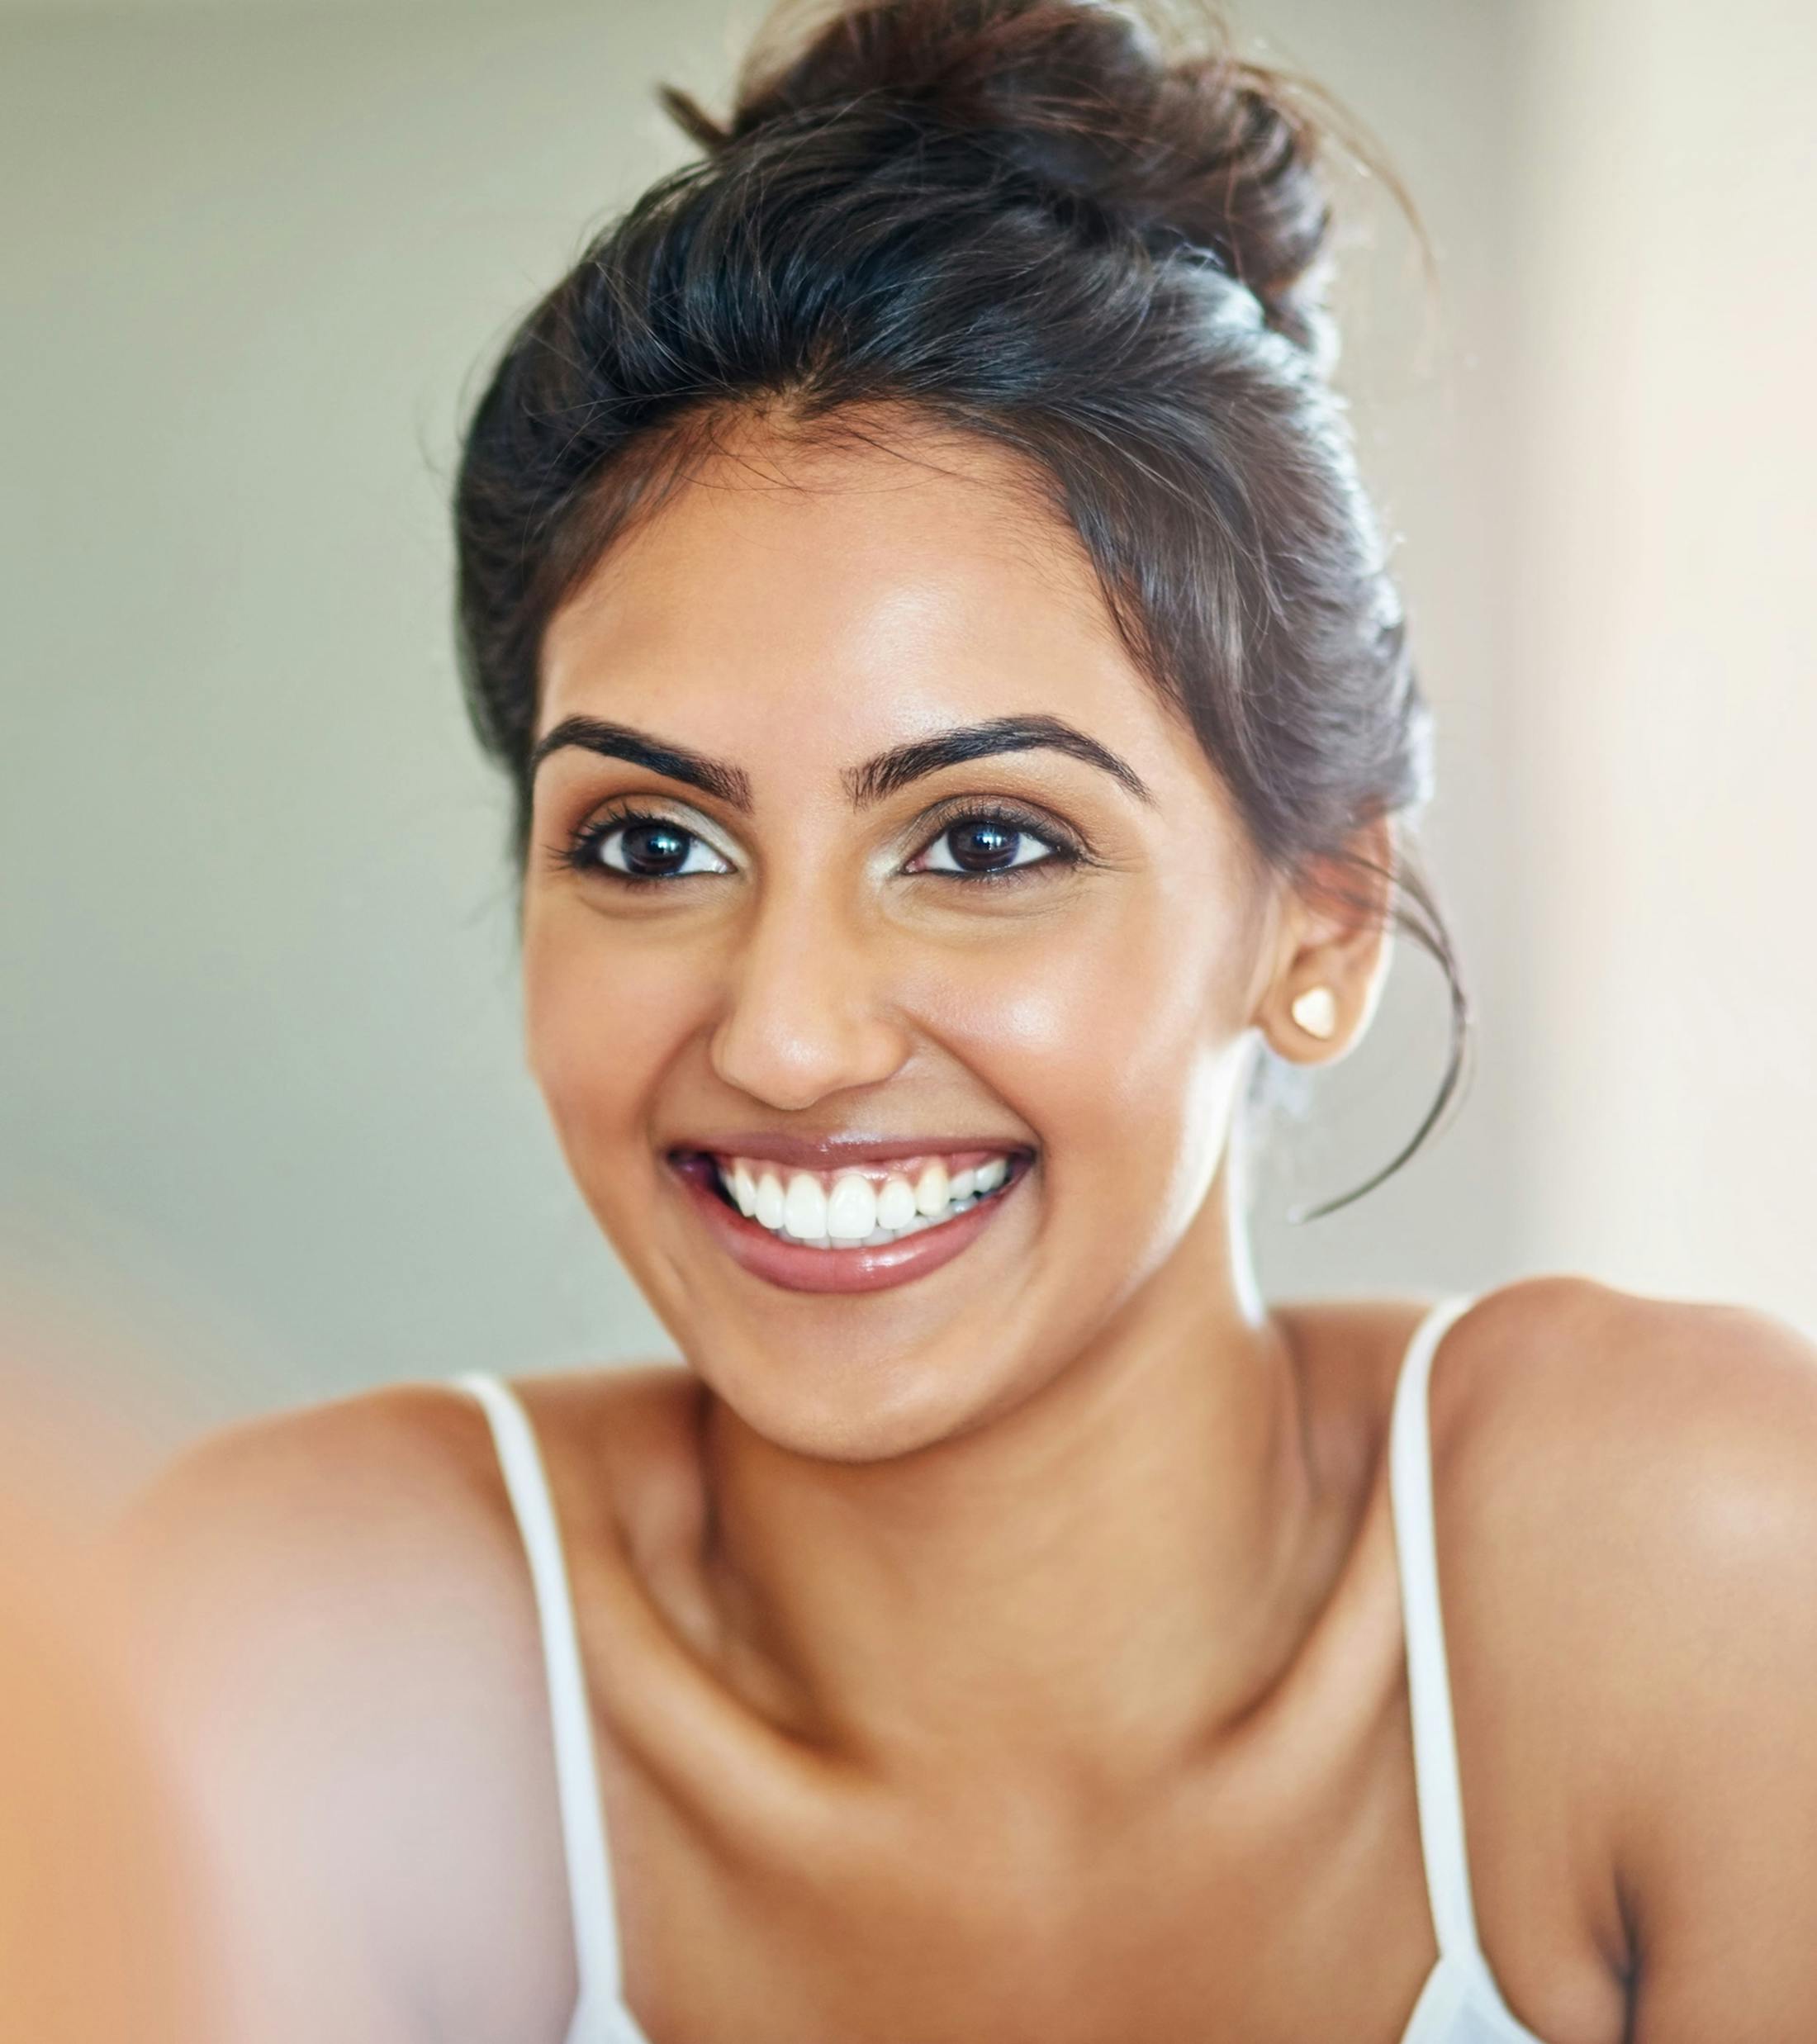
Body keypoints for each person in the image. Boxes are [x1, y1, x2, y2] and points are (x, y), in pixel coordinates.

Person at [120, 2, 1817, 2039]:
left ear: (1323, 909)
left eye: (985, 839)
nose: (788, 1037)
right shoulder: (301, 1655)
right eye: (651, 843)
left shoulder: (1695, 1568)